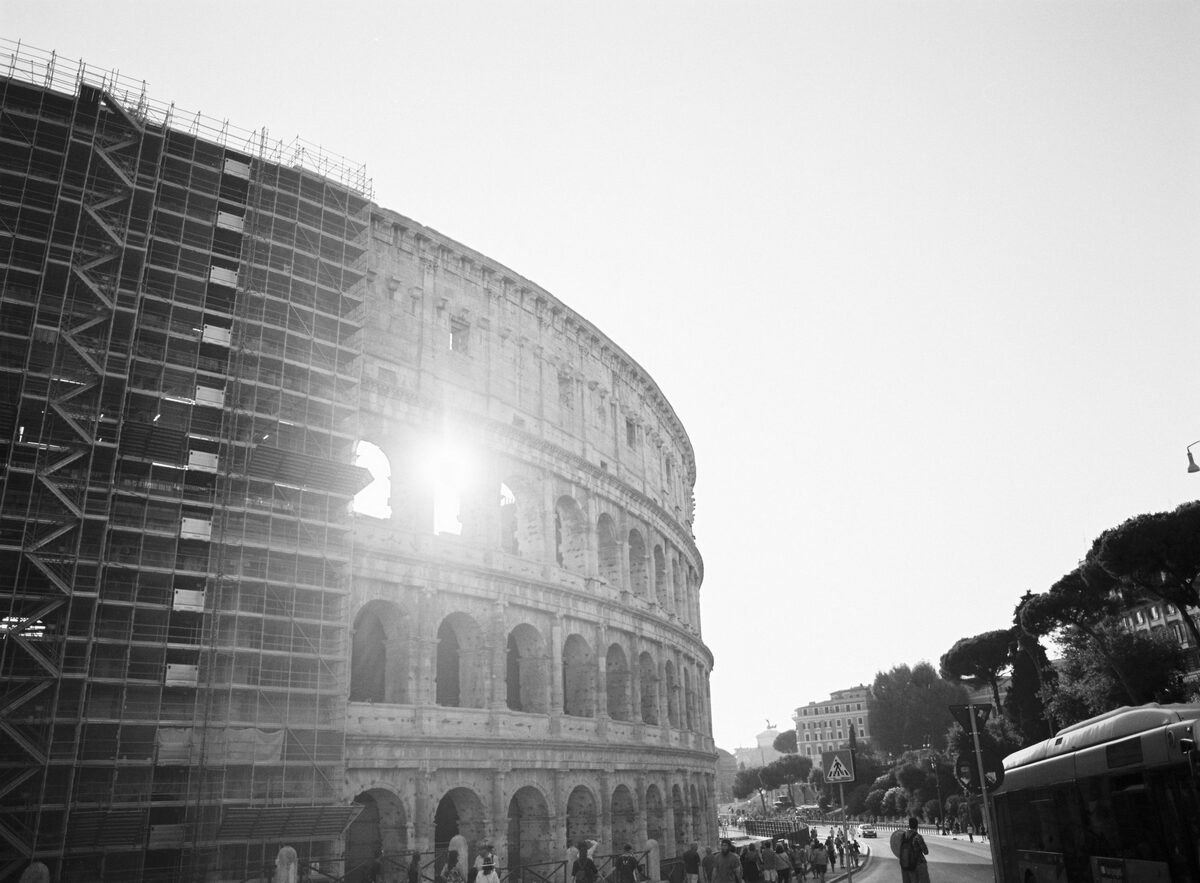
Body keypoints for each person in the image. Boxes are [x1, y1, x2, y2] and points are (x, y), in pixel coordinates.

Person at [898, 817, 930, 883]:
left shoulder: (903, 836)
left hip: (905, 864)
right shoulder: (918, 837)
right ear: (917, 826)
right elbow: (926, 852)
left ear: (909, 825)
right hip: (918, 864)